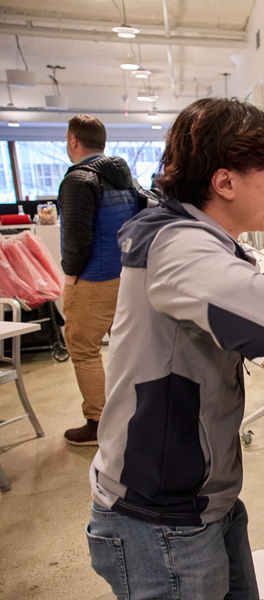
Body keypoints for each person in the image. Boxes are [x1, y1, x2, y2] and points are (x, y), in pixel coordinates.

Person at [86, 98, 264, 599]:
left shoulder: (193, 235)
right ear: (224, 182)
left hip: (197, 502)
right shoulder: (176, 245)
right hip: (161, 520)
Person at [59, 115, 141, 445]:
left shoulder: (78, 180)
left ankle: (97, 421)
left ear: (74, 141)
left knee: (83, 350)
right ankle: (135, 413)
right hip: (127, 275)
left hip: (94, 279)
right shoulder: (123, 175)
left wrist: (70, 274)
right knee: (127, 348)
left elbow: (76, 239)